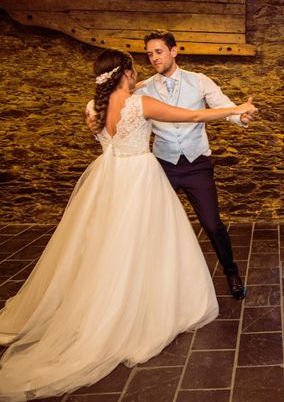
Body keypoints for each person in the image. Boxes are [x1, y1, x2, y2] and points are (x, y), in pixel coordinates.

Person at [0, 49, 257, 401]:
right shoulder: (140, 103)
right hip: (139, 176)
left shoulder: (93, 108)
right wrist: (236, 108)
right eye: (134, 69)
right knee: (148, 242)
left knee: (107, 245)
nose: (138, 73)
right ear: (125, 74)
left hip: (109, 179)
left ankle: (103, 299)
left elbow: (101, 139)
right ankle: (137, 306)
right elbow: (193, 114)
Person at [103, 30, 252, 299]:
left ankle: (232, 273)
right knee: (151, 225)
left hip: (197, 165)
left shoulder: (200, 80)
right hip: (163, 166)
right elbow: (114, 100)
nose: (153, 58)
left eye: (158, 52)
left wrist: (239, 117)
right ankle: (150, 283)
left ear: (174, 51)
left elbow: (223, 106)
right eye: (149, 54)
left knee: (212, 224)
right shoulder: (143, 88)